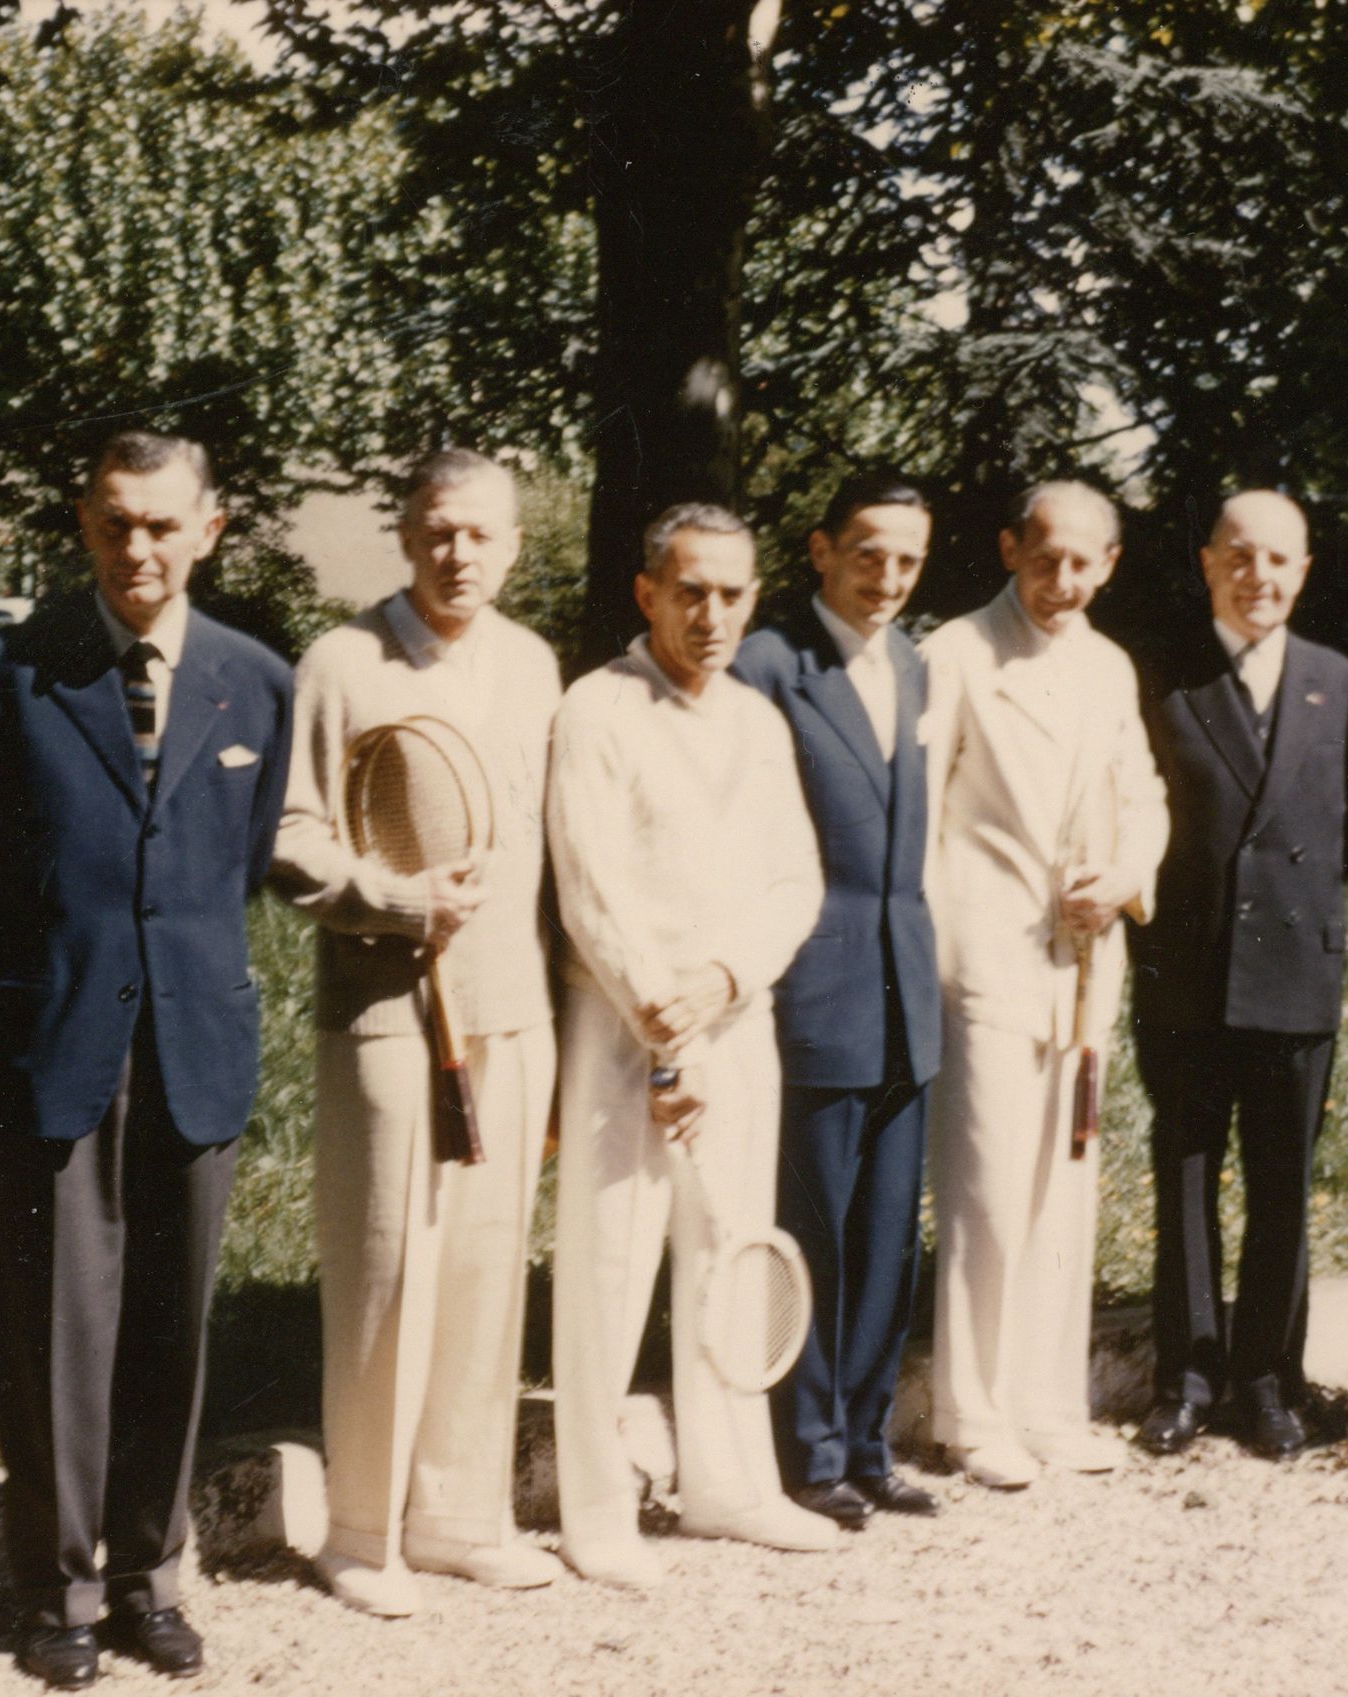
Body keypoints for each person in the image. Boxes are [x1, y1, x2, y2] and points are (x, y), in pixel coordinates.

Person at [0, 432, 292, 1690]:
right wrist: (68, 951)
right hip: (55, 1034)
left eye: (163, 525)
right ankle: (61, 1589)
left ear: (210, 529)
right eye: (114, 523)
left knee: (169, 1327)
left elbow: (237, 864)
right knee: (54, 1327)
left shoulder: (255, 682)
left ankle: (150, 1573)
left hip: (195, 1038)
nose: (139, 550)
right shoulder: (7, 673)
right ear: (82, 524)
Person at [272, 450, 564, 1614]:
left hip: (511, 1012)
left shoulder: (537, 666)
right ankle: (360, 1531)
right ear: (404, 532)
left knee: (489, 1272)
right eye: (439, 531)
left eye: (482, 535)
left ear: (512, 545)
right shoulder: (342, 662)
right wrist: (394, 902)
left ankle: (456, 1518)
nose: (459, 554)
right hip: (387, 1011)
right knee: (390, 1263)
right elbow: (293, 837)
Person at [546, 504, 834, 1587]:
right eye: (691, 590)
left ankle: (728, 1484)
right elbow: (591, 885)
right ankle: (596, 1509)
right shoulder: (595, 710)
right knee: (611, 1265)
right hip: (622, 1031)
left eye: (732, 592)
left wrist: (721, 981)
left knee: (729, 1249)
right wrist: (657, 1016)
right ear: (648, 593)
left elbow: (793, 879)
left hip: (733, 1022)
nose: (712, 613)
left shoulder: (760, 721)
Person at [921, 479, 1169, 1489]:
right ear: (1009, 547)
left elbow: (1141, 793)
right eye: (1043, 556)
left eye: (1083, 562)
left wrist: (1122, 880)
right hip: (987, 955)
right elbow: (922, 817)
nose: (1061, 580)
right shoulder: (955, 654)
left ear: (1110, 564)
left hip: (1082, 962)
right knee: (986, 1190)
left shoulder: (1109, 666)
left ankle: (1047, 1402)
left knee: (1063, 1190)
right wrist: (959, 935)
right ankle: (969, 1412)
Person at [730, 473, 945, 1529]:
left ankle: (867, 1439)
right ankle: (805, 1446)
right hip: (815, 985)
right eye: (868, 553)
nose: (888, 578)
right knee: (810, 1228)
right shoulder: (770, 663)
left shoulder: (911, 659)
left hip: (907, 982)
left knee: (886, 1235)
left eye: (907, 559)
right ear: (820, 549)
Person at [1129, 491, 1348, 1461]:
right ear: (1208, 561)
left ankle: (1267, 1377)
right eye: (1238, 556)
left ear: (1302, 571)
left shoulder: (1342, 680)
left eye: (1277, 560)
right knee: (1184, 1177)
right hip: (1189, 967)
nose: (1256, 576)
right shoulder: (1161, 676)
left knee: (1281, 1186)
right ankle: (1184, 1377)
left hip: (1295, 969)